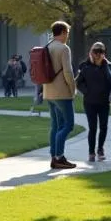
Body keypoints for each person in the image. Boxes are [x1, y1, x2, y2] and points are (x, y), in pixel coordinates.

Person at [44, 21, 78, 170]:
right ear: (63, 32)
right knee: (68, 124)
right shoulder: (63, 48)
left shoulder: (47, 47)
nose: (68, 36)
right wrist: (73, 88)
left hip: (48, 91)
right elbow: (68, 72)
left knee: (55, 125)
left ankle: (53, 156)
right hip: (62, 92)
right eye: (67, 33)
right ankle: (59, 156)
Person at [75, 41, 111, 162]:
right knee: (93, 127)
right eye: (96, 51)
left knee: (104, 127)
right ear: (91, 52)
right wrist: (86, 91)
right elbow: (79, 82)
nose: (98, 54)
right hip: (90, 101)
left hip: (104, 102)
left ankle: (100, 149)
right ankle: (91, 152)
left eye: (101, 51)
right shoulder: (84, 66)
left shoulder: (108, 66)